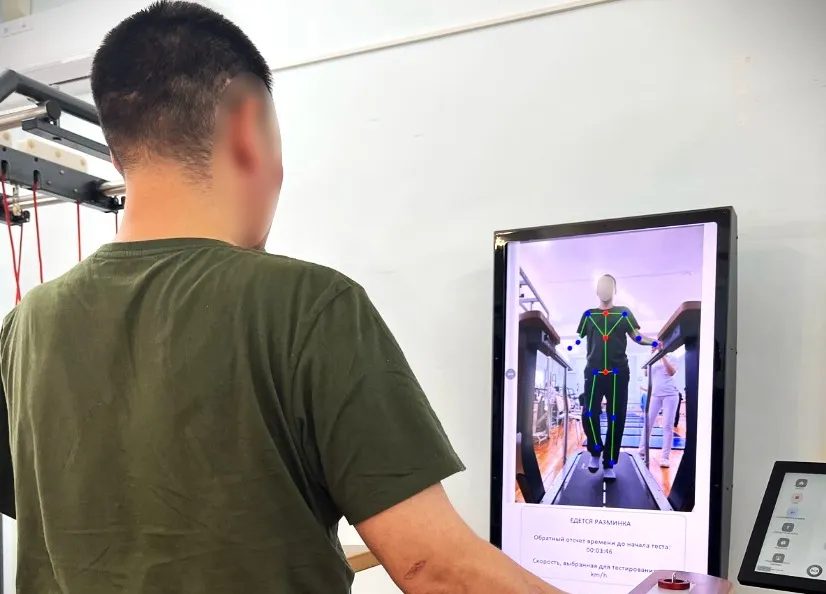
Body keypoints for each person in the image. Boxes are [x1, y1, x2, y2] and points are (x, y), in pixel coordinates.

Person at [0, 2, 567, 593]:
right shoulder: (309, 306)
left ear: (118, 153)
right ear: (247, 127)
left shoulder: (24, 327)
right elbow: (437, 570)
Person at [575, 274, 653, 482]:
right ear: (597, 291)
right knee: (589, 413)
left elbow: (637, 336)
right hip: (593, 371)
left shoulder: (623, 313)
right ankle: (595, 451)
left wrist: (654, 343)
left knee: (616, 417)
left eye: (609, 286)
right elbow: (580, 338)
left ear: (615, 290)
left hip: (619, 372)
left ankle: (609, 463)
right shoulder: (588, 315)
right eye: (601, 286)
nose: (605, 289)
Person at [639, 344, 680, 468]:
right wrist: (652, 355)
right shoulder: (652, 358)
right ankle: (641, 452)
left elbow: (671, 372)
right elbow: (647, 373)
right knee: (648, 423)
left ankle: (665, 457)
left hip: (670, 394)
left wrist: (662, 355)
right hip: (655, 395)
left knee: (667, 426)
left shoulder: (671, 356)